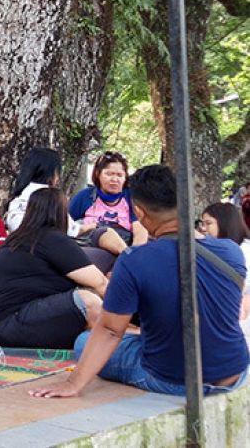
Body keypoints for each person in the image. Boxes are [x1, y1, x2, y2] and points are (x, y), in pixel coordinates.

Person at [31, 165, 249, 399]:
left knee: (84, 341)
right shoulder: (231, 251)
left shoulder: (134, 260)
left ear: (140, 212)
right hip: (234, 371)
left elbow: (110, 331)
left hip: (175, 379)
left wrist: (73, 384)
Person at [0, 188, 107, 349]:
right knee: (87, 301)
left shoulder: (19, 238)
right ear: (61, 213)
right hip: (10, 325)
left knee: (87, 313)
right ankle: (126, 338)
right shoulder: (51, 239)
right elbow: (100, 283)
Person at [6, 148, 114, 273]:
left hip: (23, 254)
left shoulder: (20, 196)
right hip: (46, 258)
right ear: (51, 172)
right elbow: (70, 230)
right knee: (107, 256)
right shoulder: (50, 196)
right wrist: (91, 226)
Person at [68, 151, 149, 257]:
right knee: (104, 231)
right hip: (88, 248)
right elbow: (66, 224)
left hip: (122, 250)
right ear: (98, 174)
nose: (114, 179)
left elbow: (140, 231)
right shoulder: (85, 196)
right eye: (109, 174)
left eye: (119, 175)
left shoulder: (131, 198)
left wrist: (135, 255)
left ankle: (128, 258)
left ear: (125, 177)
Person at [200, 202, 250, 344]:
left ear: (225, 223)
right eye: (202, 224)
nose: (203, 229)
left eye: (208, 223)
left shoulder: (244, 251)